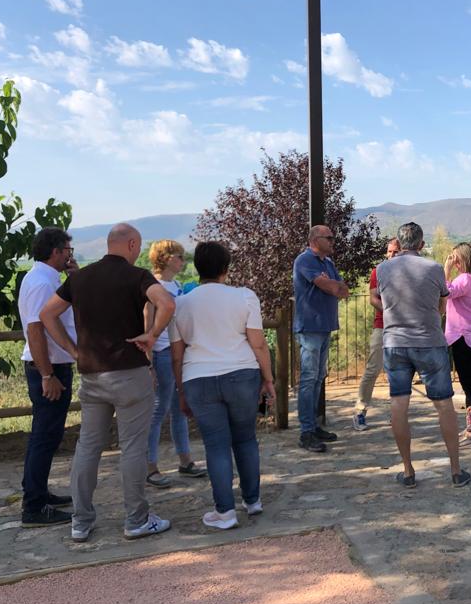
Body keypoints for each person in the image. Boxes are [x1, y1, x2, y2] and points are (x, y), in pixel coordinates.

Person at [39, 223, 176, 542]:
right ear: (130, 244)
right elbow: (167, 303)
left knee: (88, 446)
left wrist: (74, 351)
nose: (139, 252)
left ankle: (81, 521)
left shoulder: (80, 278)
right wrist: (152, 335)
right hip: (130, 373)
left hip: (91, 375)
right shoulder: (137, 276)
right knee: (132, 447)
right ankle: (136, 520)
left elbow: (47, 315)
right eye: (138, 246)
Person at [171, 241, 276, 530]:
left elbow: (177, 354)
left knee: (216, 446)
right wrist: (267, 379)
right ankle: (252, 500)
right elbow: (258, 343)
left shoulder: (180, 304)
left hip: (198, 378)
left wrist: (181, 392)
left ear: (197, 268)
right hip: (242, 374)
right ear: (226, 269)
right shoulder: (244, 297)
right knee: (245, 438)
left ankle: (225, 512)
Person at [376, 222, 471, 488]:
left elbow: (380, 300)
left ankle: (407, 471)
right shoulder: (432, 269)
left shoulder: (382, 269)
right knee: (444, 405)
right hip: (429, 342)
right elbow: (441, 305)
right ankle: (455, 470)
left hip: (394, 343)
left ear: (399, 241)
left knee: (398, 404)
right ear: (421, 243)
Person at [17, 227, 78, 527]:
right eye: (68, 249)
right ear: (56, 251)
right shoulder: (42, 283)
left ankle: (37, 492)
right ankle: (34, 506)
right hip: (49, 367)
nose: (70, 254)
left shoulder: (44, 278)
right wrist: (47, 374)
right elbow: (35, 330)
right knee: (44, 437)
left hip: (52, 366)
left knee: (47, 435)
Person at [144, 240, 205, 487]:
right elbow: (147, 322)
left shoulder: (177, 285)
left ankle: (185, 460)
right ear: (168, 258)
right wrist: (148, 363)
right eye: (180, 256)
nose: (183, 261)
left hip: (177, 350)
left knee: (180, 407)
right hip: (161, 352)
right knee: (159, 409)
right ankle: (150, 466)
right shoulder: (152, 286)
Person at [292, 225, 350, 452]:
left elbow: (343, 290)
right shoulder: (305, 260)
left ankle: (313, 426)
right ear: (316, 239)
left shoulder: (328, 264)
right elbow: (329, 286)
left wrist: (334, 285)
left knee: (317, 378)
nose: (333, 241)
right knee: (308, 379)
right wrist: (331, 285)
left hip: (324, 327)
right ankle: (306, 431)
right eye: (330, 238)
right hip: (310, 327)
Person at [444, 241, 471, 447]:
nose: (454, 262)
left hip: (462, 336)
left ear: (463, 259)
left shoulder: (464, 280)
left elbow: (445, 292)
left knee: (467, 383)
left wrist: (446, 271)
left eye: (456, 258)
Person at [353, 237, 401, 431]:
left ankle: (396, 415)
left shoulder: (407, 273)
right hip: (382, 326)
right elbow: (373, 298)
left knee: (398, 373)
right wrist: (390, 312)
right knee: (373, 369)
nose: (391, 255)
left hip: (402, 328)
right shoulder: (378, 271)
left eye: (395, 251)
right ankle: (360, 411)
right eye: (389, 251)